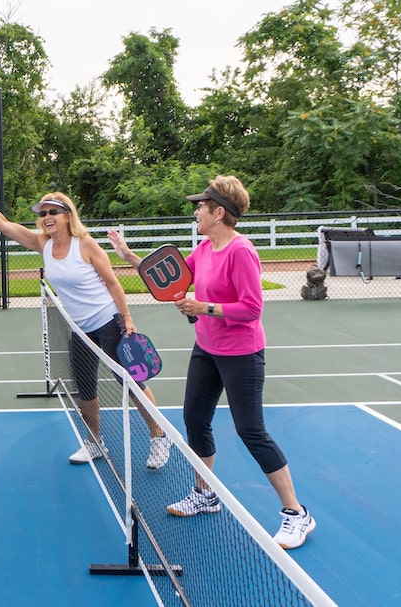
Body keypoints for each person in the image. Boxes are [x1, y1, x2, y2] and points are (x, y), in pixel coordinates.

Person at [110, 175, 315, 550]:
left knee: (251, 431)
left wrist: (205, 307)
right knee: (195, 420)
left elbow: (252, 309)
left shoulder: (241, 252)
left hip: (242, 354)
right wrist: (127, 255)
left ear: (219, 212)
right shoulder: (203, 249)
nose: (195, 212)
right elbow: (166, 276)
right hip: (207, 348)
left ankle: (296, 514)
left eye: (201, 206)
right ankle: (205, 495)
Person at [0, 185, 170, 468]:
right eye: (43, 213)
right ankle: (95, 443)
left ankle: (159, 436)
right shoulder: (42, 244)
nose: (47, 217)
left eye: (53, 212)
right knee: (85, 389)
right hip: (80, 330)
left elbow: (112, 283)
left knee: (130, 383)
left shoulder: (86, 245)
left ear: (68, 215)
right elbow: (4, 225)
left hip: (109, 323)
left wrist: (128, 319)